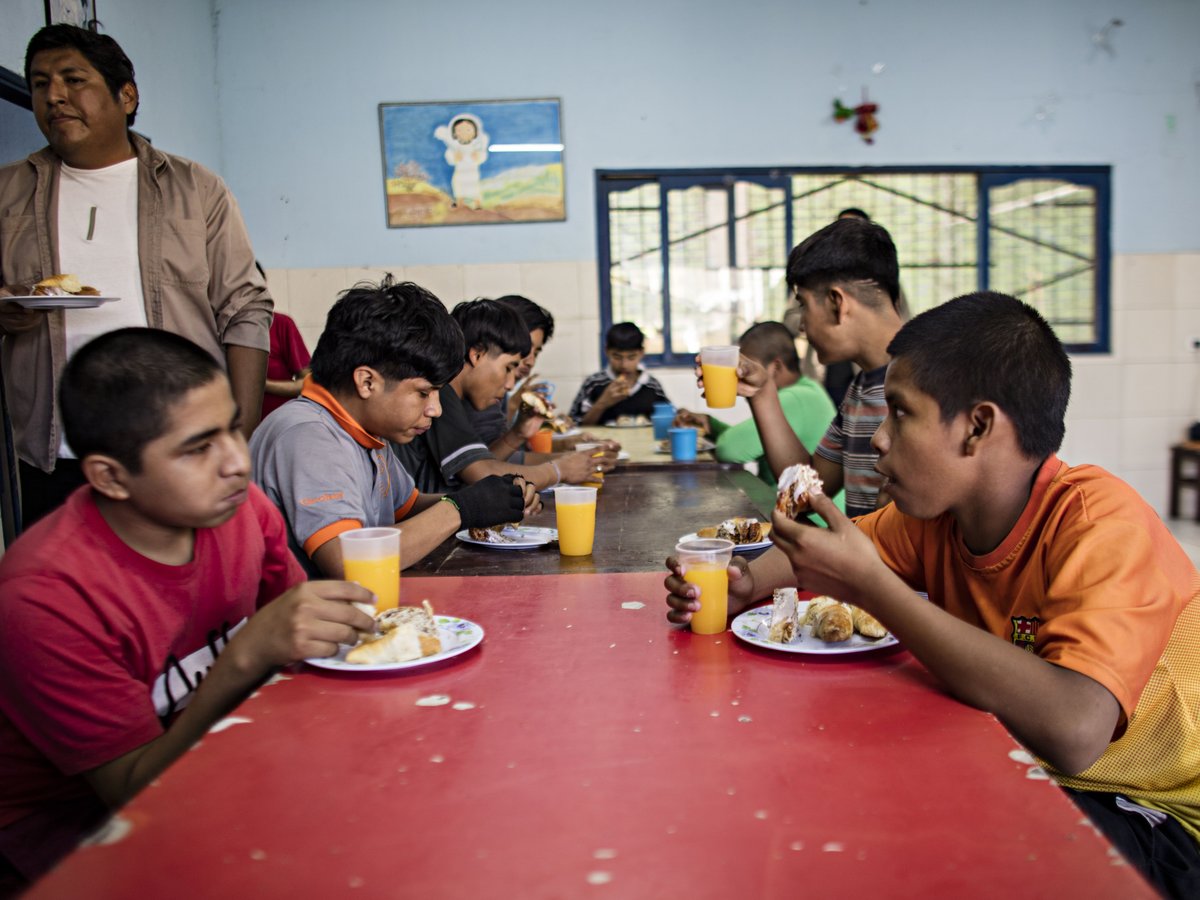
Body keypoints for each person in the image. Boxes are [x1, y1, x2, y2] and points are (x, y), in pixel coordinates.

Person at [664, 293, 1200, 899]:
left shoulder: (1100, 522)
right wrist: (743, 584)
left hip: (1146, 813)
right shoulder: (932, 517)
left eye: (900, 413)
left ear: (977, 427)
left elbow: (1077, 731)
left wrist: (875, 588)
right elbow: (810, 556)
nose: (879, 440)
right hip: (1022, 766)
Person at [0, 328, 375, 892]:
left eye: (231, 428)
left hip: (228, 758)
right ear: (110, 476)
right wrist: (246, 657)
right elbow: (131, 788)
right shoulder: (44, 596)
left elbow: (304, 649)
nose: (236, 463)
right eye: (198, 448)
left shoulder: (243, 508)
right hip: (77, 829)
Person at [0, 25, 272, 529]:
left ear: (126, 96)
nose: (54, 96)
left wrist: (237, 433)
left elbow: (246, 310)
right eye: (40, 84)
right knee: (66, 595)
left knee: (182, 590)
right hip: (48, 453)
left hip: (179, 446)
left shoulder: (196, 189)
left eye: (72, 79)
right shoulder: (7, 192)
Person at [249, 278, 535, 578]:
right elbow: (350, 561)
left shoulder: (366, 431)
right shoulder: (307, 436)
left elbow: (406, 507)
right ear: (367, 381)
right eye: (424, 393)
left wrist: (488, 499)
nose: (435, 410)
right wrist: (463, 509)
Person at [733, 217, 903, 519]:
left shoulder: (931, 384)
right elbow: (808, 488)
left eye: (804, 304)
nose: (800, 325)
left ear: (837, 303)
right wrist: (762, 393)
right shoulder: (861, 387)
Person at [394, 299, 611, 494]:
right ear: (477, 354)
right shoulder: (441, 396)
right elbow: (481, 473)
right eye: (508, 368)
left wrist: (517, 434)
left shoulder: (452, 395)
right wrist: (558, 471)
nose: (509, 384)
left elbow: (483, 466)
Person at [568, 322, 672, 426]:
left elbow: (670, 420)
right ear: (607, 352)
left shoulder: (652, 386)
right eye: (617, 357)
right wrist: (602, 403)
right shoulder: (594, 383)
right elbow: (573, 425)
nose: (624, 365)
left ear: (641, 353)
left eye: (631, 357)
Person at [261, 311, 311, 420]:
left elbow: (308, 383)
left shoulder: (280, 323)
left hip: (280, 423)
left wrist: (263, 385)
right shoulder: (221, 328)